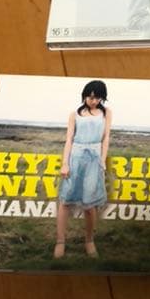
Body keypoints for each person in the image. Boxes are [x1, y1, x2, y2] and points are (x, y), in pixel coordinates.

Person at [55, 80, 112, 258]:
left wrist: (102, 160)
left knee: (90, 204)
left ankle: (89, 241)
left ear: (102, 98)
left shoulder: (106, 113)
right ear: (84, 96)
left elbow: (106, 138)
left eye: (97, 98)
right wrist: (65, 163)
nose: (93, 101)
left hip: (94, 159)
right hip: (76, 157)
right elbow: (69, 140)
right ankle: (60, 241)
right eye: (90, 97)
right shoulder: (75, 114)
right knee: (66, 201)